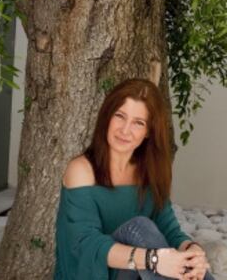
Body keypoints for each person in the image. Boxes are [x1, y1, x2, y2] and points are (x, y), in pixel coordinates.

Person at [54, 78, 214, 280]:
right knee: (139, 228)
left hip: (137, 273)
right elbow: (86, 244)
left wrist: (193, 252)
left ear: (148, 132)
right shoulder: (81, 170)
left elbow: (169, 230)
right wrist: (153, 260)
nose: (125, 130)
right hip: (93, 274)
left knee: (189, 262)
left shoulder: (149, 171)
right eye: (120, 116)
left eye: (138, 123)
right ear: (107, 118)